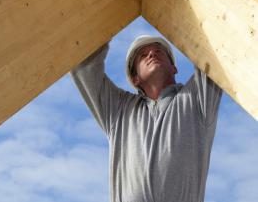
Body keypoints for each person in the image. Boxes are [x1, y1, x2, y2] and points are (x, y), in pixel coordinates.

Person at [71, 35, 222, 202]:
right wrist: (109, 18)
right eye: (143, 55)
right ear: (135, 79)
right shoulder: (119, 111)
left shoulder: (197, 98)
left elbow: (216, 50)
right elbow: (83, 67)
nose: (152, 54)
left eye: (158, 51)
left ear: (174, 68)